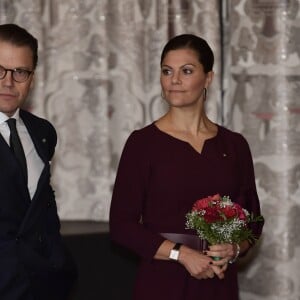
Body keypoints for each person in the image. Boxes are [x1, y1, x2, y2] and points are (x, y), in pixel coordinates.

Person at [109, 34, 264, 300]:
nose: (174, 80)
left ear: (209, 78)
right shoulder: (142, 143)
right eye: (167, 71)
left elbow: (253, 221)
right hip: (162, 281)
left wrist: (234, 249)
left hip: (219, 280)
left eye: (187, 71)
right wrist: (180, 254)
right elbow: (122, 226)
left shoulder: (235, 145)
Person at [0, 23, 77, 300]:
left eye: (20, 72)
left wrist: (58, 262)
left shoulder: (43, 132)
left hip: (40, 285)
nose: (8, 82)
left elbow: (42, 203)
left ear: (32, 78)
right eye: (0, 70)